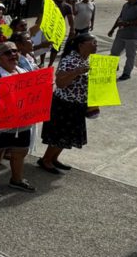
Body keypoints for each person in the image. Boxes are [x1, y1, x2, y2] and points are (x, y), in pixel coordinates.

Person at [38, 33, 98, 173]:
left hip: (77, 104)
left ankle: (53, 158)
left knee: (68, 135)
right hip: (64, 105)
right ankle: (46, 160)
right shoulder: (70, 60)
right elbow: (60, 83)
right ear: (81, 45)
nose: (96, 45)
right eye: (93, 42)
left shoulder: (86, 59)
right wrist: (76, 72)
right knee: (60, 135)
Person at [0, 43, 36, 194]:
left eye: (15, 51)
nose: (13, 54)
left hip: (22, 123)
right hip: (0, 125)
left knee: (20, 152)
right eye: (7, 52)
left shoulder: (23, 71)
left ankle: (16, 180)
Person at [47, 0, 75, 67]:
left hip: (59, 30)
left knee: (55, 48)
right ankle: (42, 62)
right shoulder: (49, 5)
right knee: (44, 47)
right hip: (48, 28)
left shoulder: (67, 6)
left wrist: (72, 29)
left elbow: (70, 19)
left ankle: (50, 64)